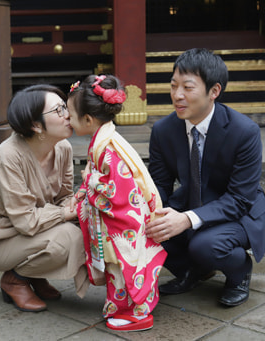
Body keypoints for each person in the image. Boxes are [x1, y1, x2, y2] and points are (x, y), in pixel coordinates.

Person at [146, 48, 265, 307]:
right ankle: (194, 272)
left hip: (238, 211)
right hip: (191, 201)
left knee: (205, 246)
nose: (177, 95)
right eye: (173, 86)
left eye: (187, 88)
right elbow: (159, 185)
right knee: (145, 228)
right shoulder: (163, 130)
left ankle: (239, 273)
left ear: (214, 91)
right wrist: (143, 212)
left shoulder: (244, 131)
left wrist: (187, 219)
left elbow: (240, 198)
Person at [0, 84, 88, 313]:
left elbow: (64, 196)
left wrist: (73, 204)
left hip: (36, 227)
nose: (68, 115)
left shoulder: (62, 147)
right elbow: (24, 221)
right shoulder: (9, 156)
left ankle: (34, 275)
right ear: (35, 125)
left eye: (65, 107)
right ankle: (15, 279)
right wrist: (66, 213)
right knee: (69, 238)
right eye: (58, 111)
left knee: (89, 226)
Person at [68, 74, 167, 332]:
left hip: (122, 225)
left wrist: (89, 182)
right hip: (118, 222)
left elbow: (115, 193)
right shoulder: (104, 141)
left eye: (70, 114)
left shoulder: (108, 149)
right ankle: (123, 309)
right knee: (117, 273)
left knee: (124, 271)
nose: (67, 119)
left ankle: (138, 315)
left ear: (88, 120)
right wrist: (85, 190)